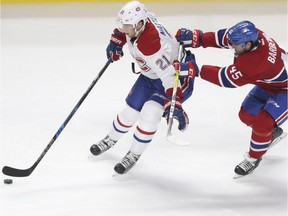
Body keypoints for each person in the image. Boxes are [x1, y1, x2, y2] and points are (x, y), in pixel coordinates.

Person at [90, 1, 198, 174]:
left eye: (127, 26)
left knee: (150, 112)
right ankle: (110, 139)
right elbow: (126, 27)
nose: (123, 29)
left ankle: (133, 154)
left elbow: (169, 76)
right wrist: (116, 41)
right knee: (129, 112)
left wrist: (174, 102)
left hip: (175, 76)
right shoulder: (139, 22)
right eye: (122, 25)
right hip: (151, 74)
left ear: (139, 25)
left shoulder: (151, 45)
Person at [175, 20, 287, 177]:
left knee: (262, 124)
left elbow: (225, 79)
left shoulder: (257, 62)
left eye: (236, 45)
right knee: (246, 115)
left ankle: (253, 158)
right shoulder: (253, 37)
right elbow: (223, 37)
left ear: (248, 45)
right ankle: (272, 132)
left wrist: (197, 70)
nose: (233, 47)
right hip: (269, 83)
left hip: (284, 90)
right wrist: (198, 38)